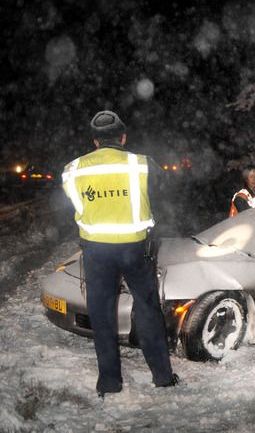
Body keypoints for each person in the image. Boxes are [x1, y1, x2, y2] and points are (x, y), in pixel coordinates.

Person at [61, 110, 178, 397]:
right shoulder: (142, 164)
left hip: (96, 252)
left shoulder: (73, 170)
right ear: (123, 138)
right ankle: (162, 376)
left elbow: (75, 207)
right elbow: (162, 197)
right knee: (148, 310)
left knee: (101, 315)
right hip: (134, 249)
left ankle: (110, 382)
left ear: (95, 141)